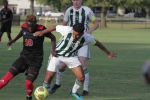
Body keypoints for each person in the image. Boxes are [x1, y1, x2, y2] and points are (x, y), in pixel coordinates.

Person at [33, 23, 117, 100]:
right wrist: (42, 32)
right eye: (73, 34)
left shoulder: (87, 38)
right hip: (57, 54)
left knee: (81, 78)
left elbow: (98, 43)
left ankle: (73, 91)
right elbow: (55, 27)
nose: (74, 36)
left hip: (71, 57)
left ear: (82, 33)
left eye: (77, 35)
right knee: (49, 77)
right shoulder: (67, 29)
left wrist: (108, 53)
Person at [0, 14, 56, 100]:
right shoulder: (24, 26)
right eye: (28, 26)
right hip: (23, 57)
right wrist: (14, 40)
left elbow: (53, 37)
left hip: (36, 60)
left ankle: (28, 97)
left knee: (28, 82)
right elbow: (22, 32)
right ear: (26, 23)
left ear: (35, 23)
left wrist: (53, 49)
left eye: (32, 26)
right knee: (6, 78)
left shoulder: (41, 29)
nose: (30, 28)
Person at [49, 0, 99, 96]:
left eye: (78, 0)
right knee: (63, 65)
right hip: (70, 40)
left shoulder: (87, 10)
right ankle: (57, 84)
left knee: (83, 64)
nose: (76, 2)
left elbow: (96, 23)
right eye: (74, 0)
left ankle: (85, 90)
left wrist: (91, 30)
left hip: (82, 41)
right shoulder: (69, 10)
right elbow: (64, 24)